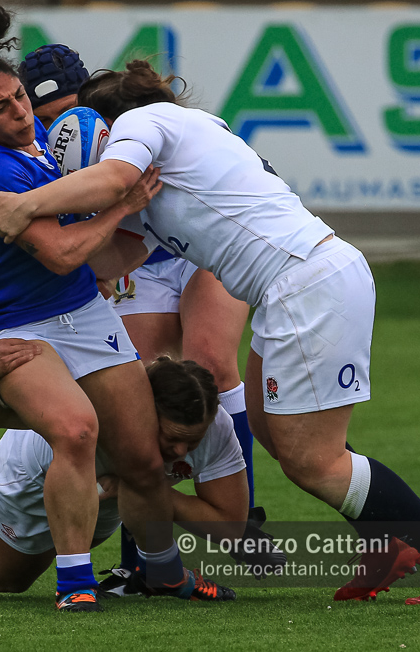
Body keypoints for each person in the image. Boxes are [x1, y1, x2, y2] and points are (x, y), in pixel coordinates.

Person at [0, 60, 420, 606]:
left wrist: (26, 205)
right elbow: (110, 257)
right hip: (291, 288)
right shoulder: (162, 173)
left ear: (107, 125)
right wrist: (38, 249)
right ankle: (387, 541)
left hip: (307, 282)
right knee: (271, 429)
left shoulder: (146, 121)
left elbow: (112, 179)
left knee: (312, 461)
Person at [0, 0, 226, 612]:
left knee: (140, 454)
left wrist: (160, 219)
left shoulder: (44, 148)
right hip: (15, 327)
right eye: (1, 108)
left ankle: (164, 574)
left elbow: (100, 258)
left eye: (19, 98)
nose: (20, 113)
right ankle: (76, 583)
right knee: (76, 431)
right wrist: (125, 204)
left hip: (83, 313)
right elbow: (61, 254)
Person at [19, 45, 259, 588]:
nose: (62, 127)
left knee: (213, 363)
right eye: (48, 119)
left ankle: (242, 521)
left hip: (197, 245)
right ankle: (142, 559)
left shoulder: (130, 124)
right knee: (139, 387)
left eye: (69, 111)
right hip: (136, 254)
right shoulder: (39, 152)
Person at [0, 351, 243, 602]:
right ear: (143, 411)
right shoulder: (104, 409)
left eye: (192, 441)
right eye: (171, 437)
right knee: (6, 578)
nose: (181, 451)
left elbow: (230, 526)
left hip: (104, 501)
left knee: (140, 478)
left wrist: (151, 487)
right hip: (27, 482)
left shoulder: (217, 429)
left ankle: (162, 575)